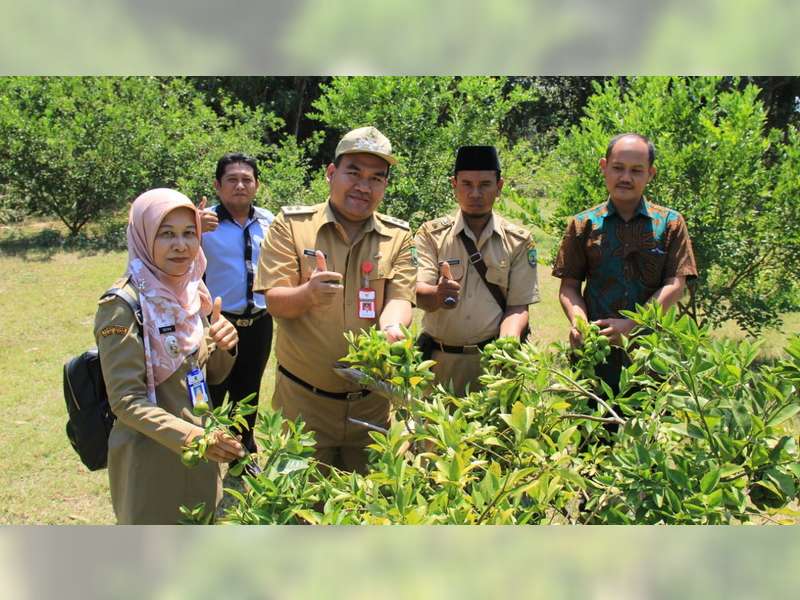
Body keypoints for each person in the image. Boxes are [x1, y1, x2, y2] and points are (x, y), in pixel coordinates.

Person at [254, 126, 416, 473]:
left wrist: (391, 327)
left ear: (385, 185)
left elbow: (401, 298)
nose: (363, 186)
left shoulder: (398, 236)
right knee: (299, 515)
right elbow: (274, 300)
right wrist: (307, 294)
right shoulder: (292, 225)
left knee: (372, 508)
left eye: (376, 178)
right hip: (303, 404)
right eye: (353, 172)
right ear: (331, 173)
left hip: (372, 403)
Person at [95, 188, 243, 524]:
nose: (181, 245)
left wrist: (225, 343)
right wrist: (194, 439)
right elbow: (126, 401)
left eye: (189, 233)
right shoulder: (122, 306)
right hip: (151, 458)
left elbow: (209, 377)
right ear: (144, 236)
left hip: (202, 455)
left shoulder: (192, 293)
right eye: (167, 234)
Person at [552, 133, 698, 395]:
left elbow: (676, 284)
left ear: (651, 174)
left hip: (649, 354)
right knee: (592, 431)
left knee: (647, 431)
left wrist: (634, 325)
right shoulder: (583, 224)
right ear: (604, 167)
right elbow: (569, 287)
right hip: (594, 354)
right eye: (618, 168)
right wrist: (579, 323)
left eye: (636, 170)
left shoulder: (670, 223)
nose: (626, 178)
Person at [414, 145, 540, 396]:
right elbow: (417, 293)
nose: (475, 193)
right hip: (437, 365)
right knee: (432, 435)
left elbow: (518, 306)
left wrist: (508, 344)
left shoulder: (519, 241)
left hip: (493, 367)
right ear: (454, 184)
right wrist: (437, 294)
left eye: (484, 184)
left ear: (499, 186)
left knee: (493, 434)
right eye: (467, 184)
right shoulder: (431, 234)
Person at [199, 153, 274, 471]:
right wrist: (192, 226)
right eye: (231, 179)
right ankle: (208, 449)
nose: (240, 185)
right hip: (218, 324)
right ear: (218, 186)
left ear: (257, 184)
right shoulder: (202, 224)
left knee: (249, 389)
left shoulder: (270, 222)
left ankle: (244, 450)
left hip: (258, 322)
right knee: (212, 389)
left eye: (247, 179)